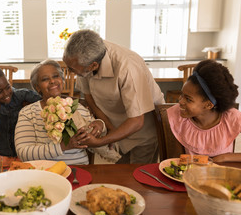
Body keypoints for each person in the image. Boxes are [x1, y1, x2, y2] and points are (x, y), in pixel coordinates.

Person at [63, 29, 165, 164]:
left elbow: (136, 121)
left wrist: (100, 141)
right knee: (120, 173)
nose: (70, 73)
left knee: (138, 178)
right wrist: (110, 130)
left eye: (72, 70)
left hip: (142, 134)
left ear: (93, 65)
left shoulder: (127, 67)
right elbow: (89, 98)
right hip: (117, 127)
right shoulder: (83, 59)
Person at [14, 59, 120, 165]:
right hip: (45, 171)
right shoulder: (28, 113)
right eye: (45, 79)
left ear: (62, 80)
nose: (52, 81)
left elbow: (94, 135)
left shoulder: (78, 108)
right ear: (37, 87)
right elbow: (23, 153)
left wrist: (100, 124)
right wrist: (63, 146)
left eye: (56, 76)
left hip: (78, 169)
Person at [167, 59, 241, 162]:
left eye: (188, 99)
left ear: (208, 105)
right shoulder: (176, 115)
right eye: (182, 95)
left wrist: (224, 157)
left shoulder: (232, 117)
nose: (180, 102)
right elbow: (174, 160)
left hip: (223, 175)